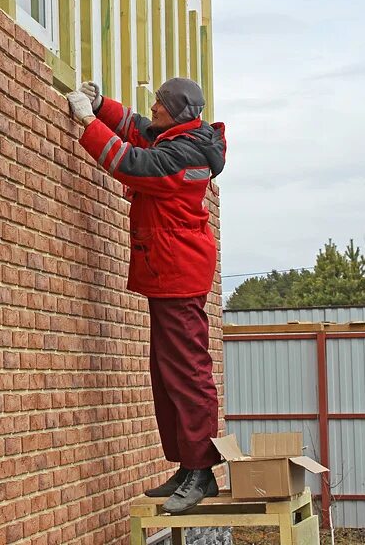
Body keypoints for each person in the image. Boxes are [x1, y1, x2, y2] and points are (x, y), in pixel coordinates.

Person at [66, 78, 227, 513]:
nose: (152, 106)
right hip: (170, 272)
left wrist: (85, 121)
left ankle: (202, 472)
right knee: (166, 371)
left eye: (159, 102)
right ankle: (188, 466)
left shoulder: (183, 154)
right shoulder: (181, 137)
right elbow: (139, 129)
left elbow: (130, 161)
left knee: (188, 374)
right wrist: (102, 106)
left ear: (176, 110)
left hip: (179, 274)